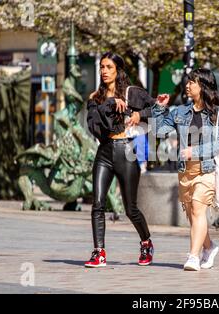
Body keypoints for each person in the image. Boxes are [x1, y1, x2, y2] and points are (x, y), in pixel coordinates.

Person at [152, 68, 219, 271]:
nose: (187, 85)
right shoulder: (179, 111)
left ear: (203, 86)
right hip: (185, 170)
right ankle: (209, 246)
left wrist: (195, 151)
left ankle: (193, 257)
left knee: (198, 208)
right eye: (187, 82)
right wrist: (159, 108)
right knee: (194, 216)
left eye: (192, 82)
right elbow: (158, 131)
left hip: (207, 169)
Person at [85, 51, 155, 268]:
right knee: (98, 203)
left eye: (109, 67)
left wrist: (139, 115)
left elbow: (157, 109)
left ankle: (146, 242)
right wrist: (109, 103)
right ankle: (99, 252)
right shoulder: (94, 97)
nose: (104, 71)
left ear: (118, 70)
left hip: (126, 151)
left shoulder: (132, 93)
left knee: (130, 208)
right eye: (102, 67)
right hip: (104, 151)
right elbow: (94, 126)